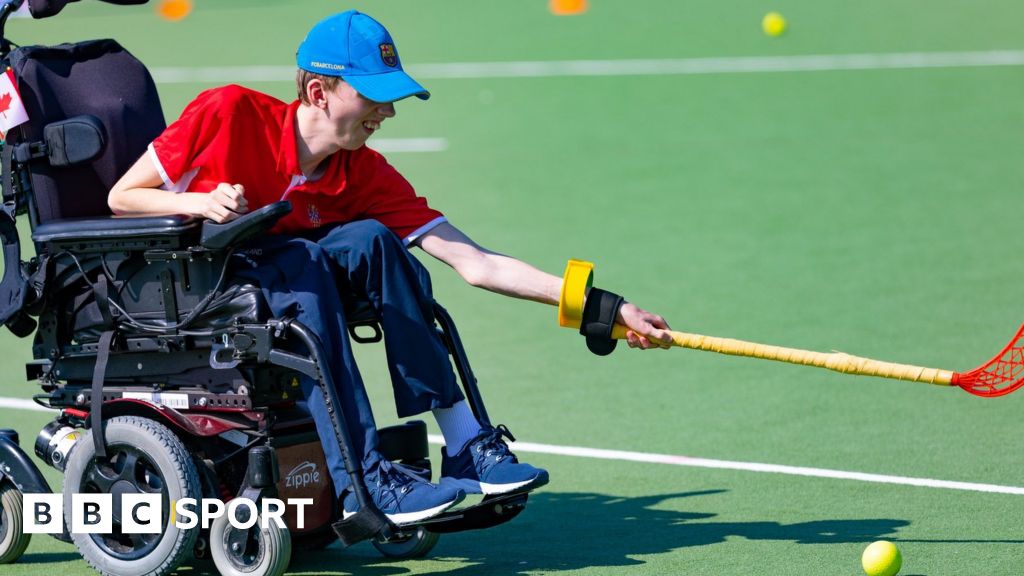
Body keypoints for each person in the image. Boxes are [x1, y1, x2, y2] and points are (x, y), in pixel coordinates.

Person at [108, 10, 672, 525]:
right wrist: (196, 203)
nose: (388, 112)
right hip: (192, 281)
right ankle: (366, 484)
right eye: (373, 95)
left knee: (377, 242)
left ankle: (464, 441)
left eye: (391, 96)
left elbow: (473, 262)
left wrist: (604, 306)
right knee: (304, 259)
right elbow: (122, 196)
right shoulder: (228, 110)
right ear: (318, 91)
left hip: (280, 279)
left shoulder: (364, 173)